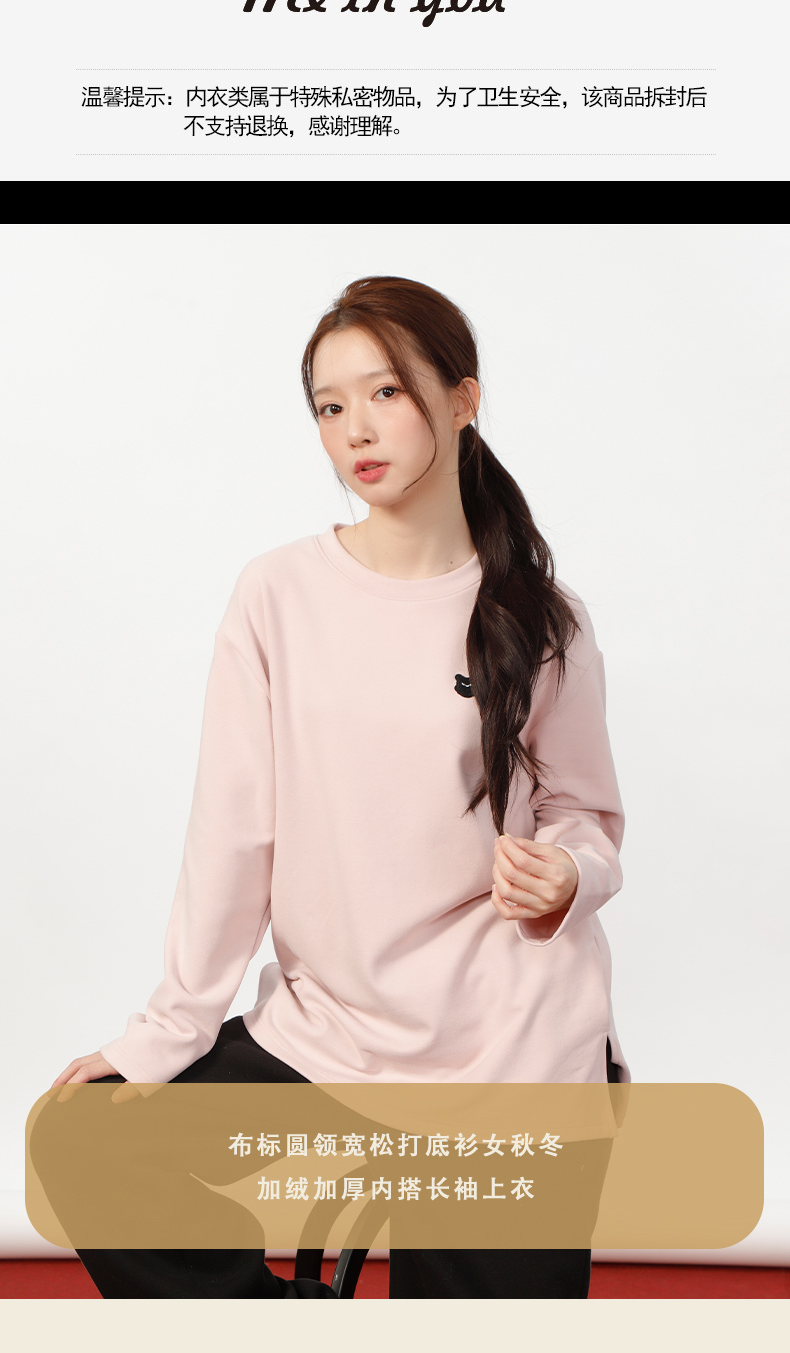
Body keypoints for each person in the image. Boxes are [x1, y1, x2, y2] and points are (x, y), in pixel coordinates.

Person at [43, 274, 629, 1298]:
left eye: (386, 392)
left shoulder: (542, 616)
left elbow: (587, 813)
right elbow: (232, 836)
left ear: (462, 399)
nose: (355, 428)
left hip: (510, 1050)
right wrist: (164, 1033)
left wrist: (570, 874)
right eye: (328, 405)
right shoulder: (277, 594)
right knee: (89, 1146)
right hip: (331, 1034)